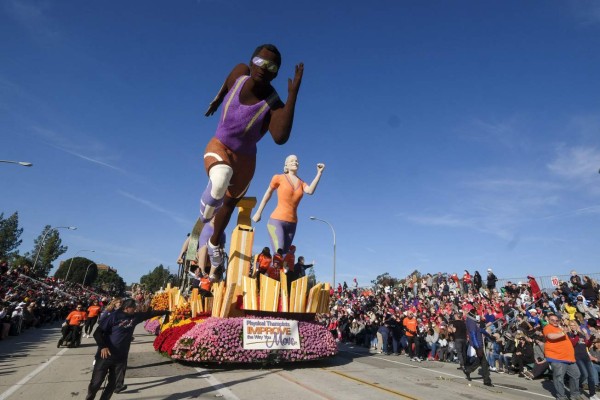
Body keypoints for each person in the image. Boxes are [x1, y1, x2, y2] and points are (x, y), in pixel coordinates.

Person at [197, 44, 304, 282]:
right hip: (220, 146)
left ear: (276, 73)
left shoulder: (273, 100)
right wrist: (217, 100)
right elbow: (226, 85)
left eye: (272, 67)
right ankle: (206, 209)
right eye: (261, 62)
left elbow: (280, 137)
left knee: (229, 204)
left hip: (246, 161)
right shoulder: (239, 73)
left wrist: (292, 96)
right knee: (221, 176)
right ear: (252, 60)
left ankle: (215, 245)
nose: (264, 69)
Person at [86, 299, 170, 400]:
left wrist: (166, 312)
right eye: (133, 308)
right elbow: (97, 333)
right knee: (96, 383)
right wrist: (103, 346)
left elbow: (149, 314)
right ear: (126, 308)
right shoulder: (114, 316)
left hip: (120, 357)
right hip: (105, 356)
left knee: (113, 383)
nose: (135, 309)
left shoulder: (135, 316)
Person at [253, 155, 324, 256]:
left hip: (292, 223)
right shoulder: (278, 178)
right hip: (276, 221)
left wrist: (319, 173)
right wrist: (259, 212)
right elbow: (268, 193)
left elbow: (310, 191)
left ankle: (275, 271)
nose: (295, 162)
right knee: (278, 253)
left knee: (285, 256)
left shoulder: (301, 183)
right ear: (286, 165)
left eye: (296, 161)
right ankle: (273, 271)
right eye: (291, 161)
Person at [543, 314, 583, 400]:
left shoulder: (560, 328)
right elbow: (551, 336)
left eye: (556, 320)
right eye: (552, 320)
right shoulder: (548, 327)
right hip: (557, 357)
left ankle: (575, 395)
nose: (555, 322)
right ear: (548, 320)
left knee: (576, 375)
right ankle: (561, 397)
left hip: (569, 358)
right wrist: (564, 332)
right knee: (559, 378)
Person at [463, 311, 493, 387]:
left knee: (480, 360)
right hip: (478, 344)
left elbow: (480, 330)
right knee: (484, 363)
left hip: (479, 343)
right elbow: (473, 334)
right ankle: (486, 381)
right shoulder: (471, 322)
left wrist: (488, 335)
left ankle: (468, 370)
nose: (478, 316)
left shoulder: (473, 322)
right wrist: (477, 347)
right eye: (476, 315)